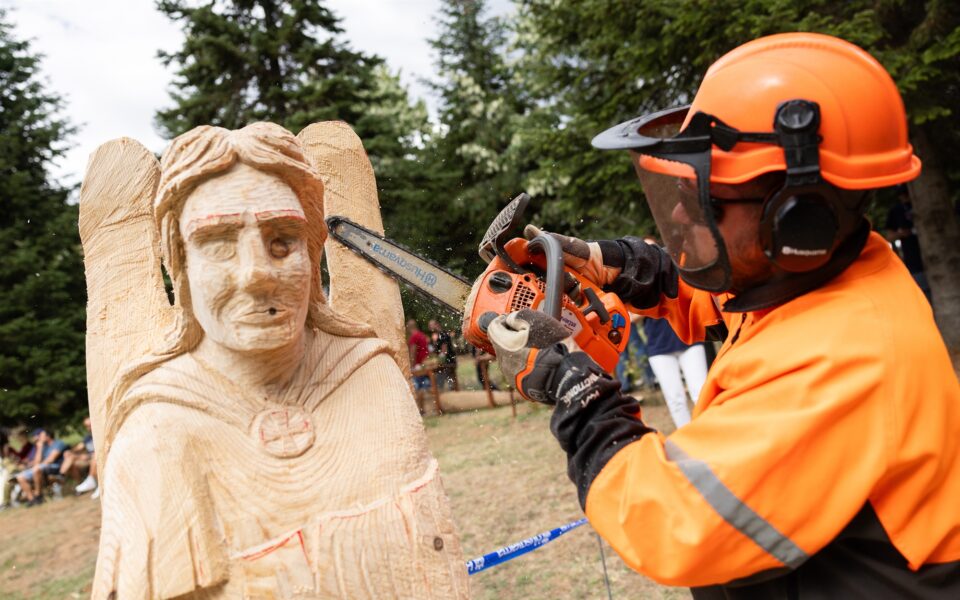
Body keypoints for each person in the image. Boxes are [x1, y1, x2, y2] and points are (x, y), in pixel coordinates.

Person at [482, 33, 960, 597]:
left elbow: (671, 522)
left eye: (705, 198)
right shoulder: (823, 274)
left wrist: (576, 390)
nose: (681, 212)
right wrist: (608, 263)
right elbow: (710, 297)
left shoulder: (845, 357)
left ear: (797, 218)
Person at [92, 124, 465, 598]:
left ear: (313, 253)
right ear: (180, 264)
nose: (257, 275)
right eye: (220, 244)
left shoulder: (370, 378)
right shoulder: (158, 432)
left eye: (283, 240)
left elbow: (431, 566)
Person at [643, 316, 707, 428]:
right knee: (675, 401)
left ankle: (712, 434)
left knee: (702, 394)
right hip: (658, 343)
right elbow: (631, 317)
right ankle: (687, 440)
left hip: (690, 337)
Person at [885, 184, 932, 303]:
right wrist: (901, 233)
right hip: (914, 259)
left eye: (906, 193)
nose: (905, 197)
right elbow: (889, 236)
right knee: (924, 294)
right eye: (902, 194)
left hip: (935, 253)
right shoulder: (897, 210)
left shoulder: (926, 203)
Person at [15, 428, 67, 506]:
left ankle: (38, 496)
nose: (39, 439)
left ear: (47, 436)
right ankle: (32, 500)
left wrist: (39, 463)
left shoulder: (58, 443)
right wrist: (39, 448)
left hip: (54, 467)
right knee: (20, 477)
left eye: (40, 436)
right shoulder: (43, 447)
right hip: (41, 467)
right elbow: (36, 462)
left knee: (37, 469)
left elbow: (51, 459)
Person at [60, 416, 97, 496]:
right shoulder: (87, 438)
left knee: (93, 455)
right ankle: (80, 484)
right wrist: (70, 451)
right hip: (88, 459)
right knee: (71, 459)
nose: (89, 428)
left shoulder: (98, 434)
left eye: (89, 425)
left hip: (95, 457)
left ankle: (62, 476)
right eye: (87, 426)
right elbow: (79, 447)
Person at [428, 319, 458, 390]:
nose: (429, 328)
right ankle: (453, 393)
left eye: (430, 325)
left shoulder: (442, 334)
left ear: (436, 325)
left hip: (448, 361)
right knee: (450, 379)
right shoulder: (439, 334)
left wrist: (439, 360)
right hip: (448, 360)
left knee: (441, 380)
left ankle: (442, 394)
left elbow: (444, 350)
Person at [407, 319, 432, 396]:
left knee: (416, 389)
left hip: (418, 366)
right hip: (424, 363)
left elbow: (412, 352)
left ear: (408, 327)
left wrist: (411, 367)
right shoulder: (422, 335)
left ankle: (420, 405)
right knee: (425, 387)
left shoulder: (413, 337)